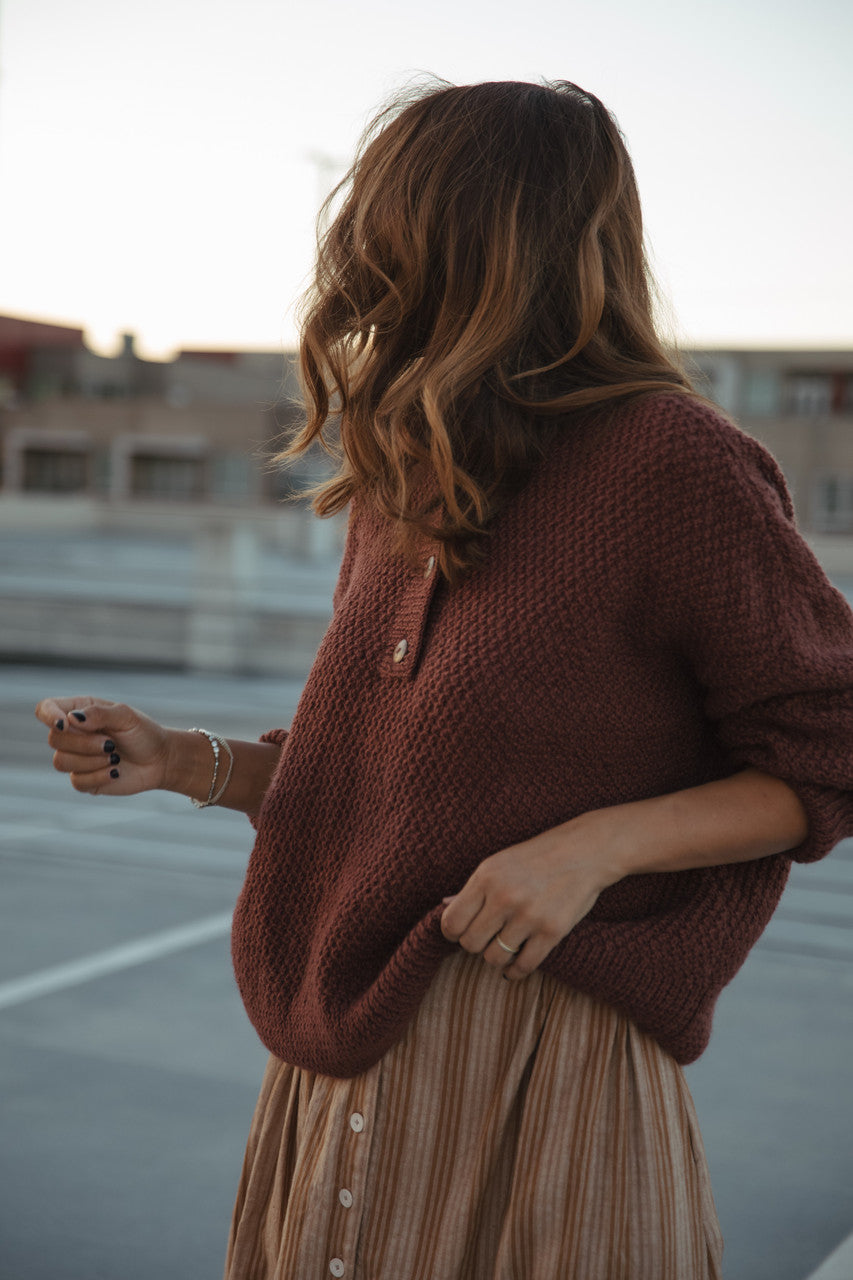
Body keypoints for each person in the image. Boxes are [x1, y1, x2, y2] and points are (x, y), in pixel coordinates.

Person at [35, 79, 853, 1280]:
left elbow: (830, 742)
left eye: (390, 204)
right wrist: (185, 761)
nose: (359, 238)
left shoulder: (673, 460)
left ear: (477, 227)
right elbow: (398, 790)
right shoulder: (404, 472)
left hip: (541, 1078)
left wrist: (597, 846)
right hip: (338, 1071)